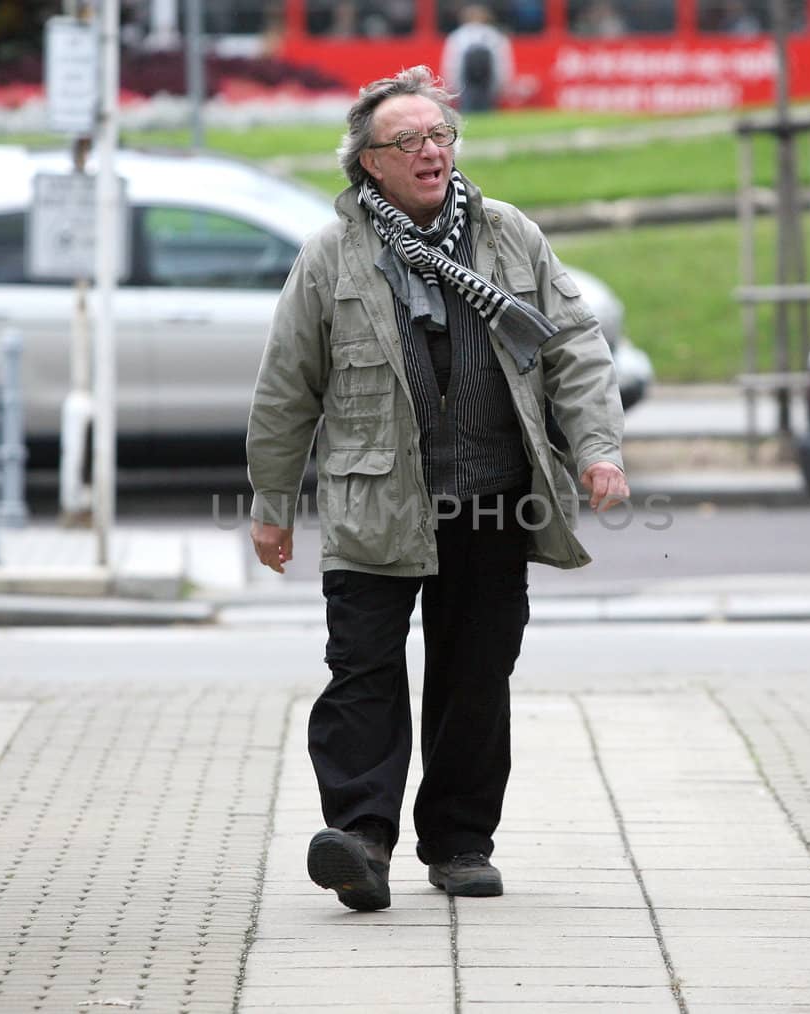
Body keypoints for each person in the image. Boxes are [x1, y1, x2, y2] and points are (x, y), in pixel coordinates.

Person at [246, 65, 627, 911]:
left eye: (440, 136)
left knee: (475, 675)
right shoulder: (332, 255)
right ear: (369, 162)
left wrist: (598, 448)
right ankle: (362, 840)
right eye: (408, 140)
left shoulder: (509, 236)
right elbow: (285, 389)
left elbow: (575, 348)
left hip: (492, 497)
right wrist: (271, 506)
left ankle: (458, 844)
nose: (431, 151)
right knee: (363, 674)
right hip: (373, 502)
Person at [441, 5, 514, 113]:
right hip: (488, 86)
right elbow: (503, 64)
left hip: (466, 86)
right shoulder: (495, 36)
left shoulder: (457, 36)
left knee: (467, 112)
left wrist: (453, 87)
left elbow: (451, 65)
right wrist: (502, 85)